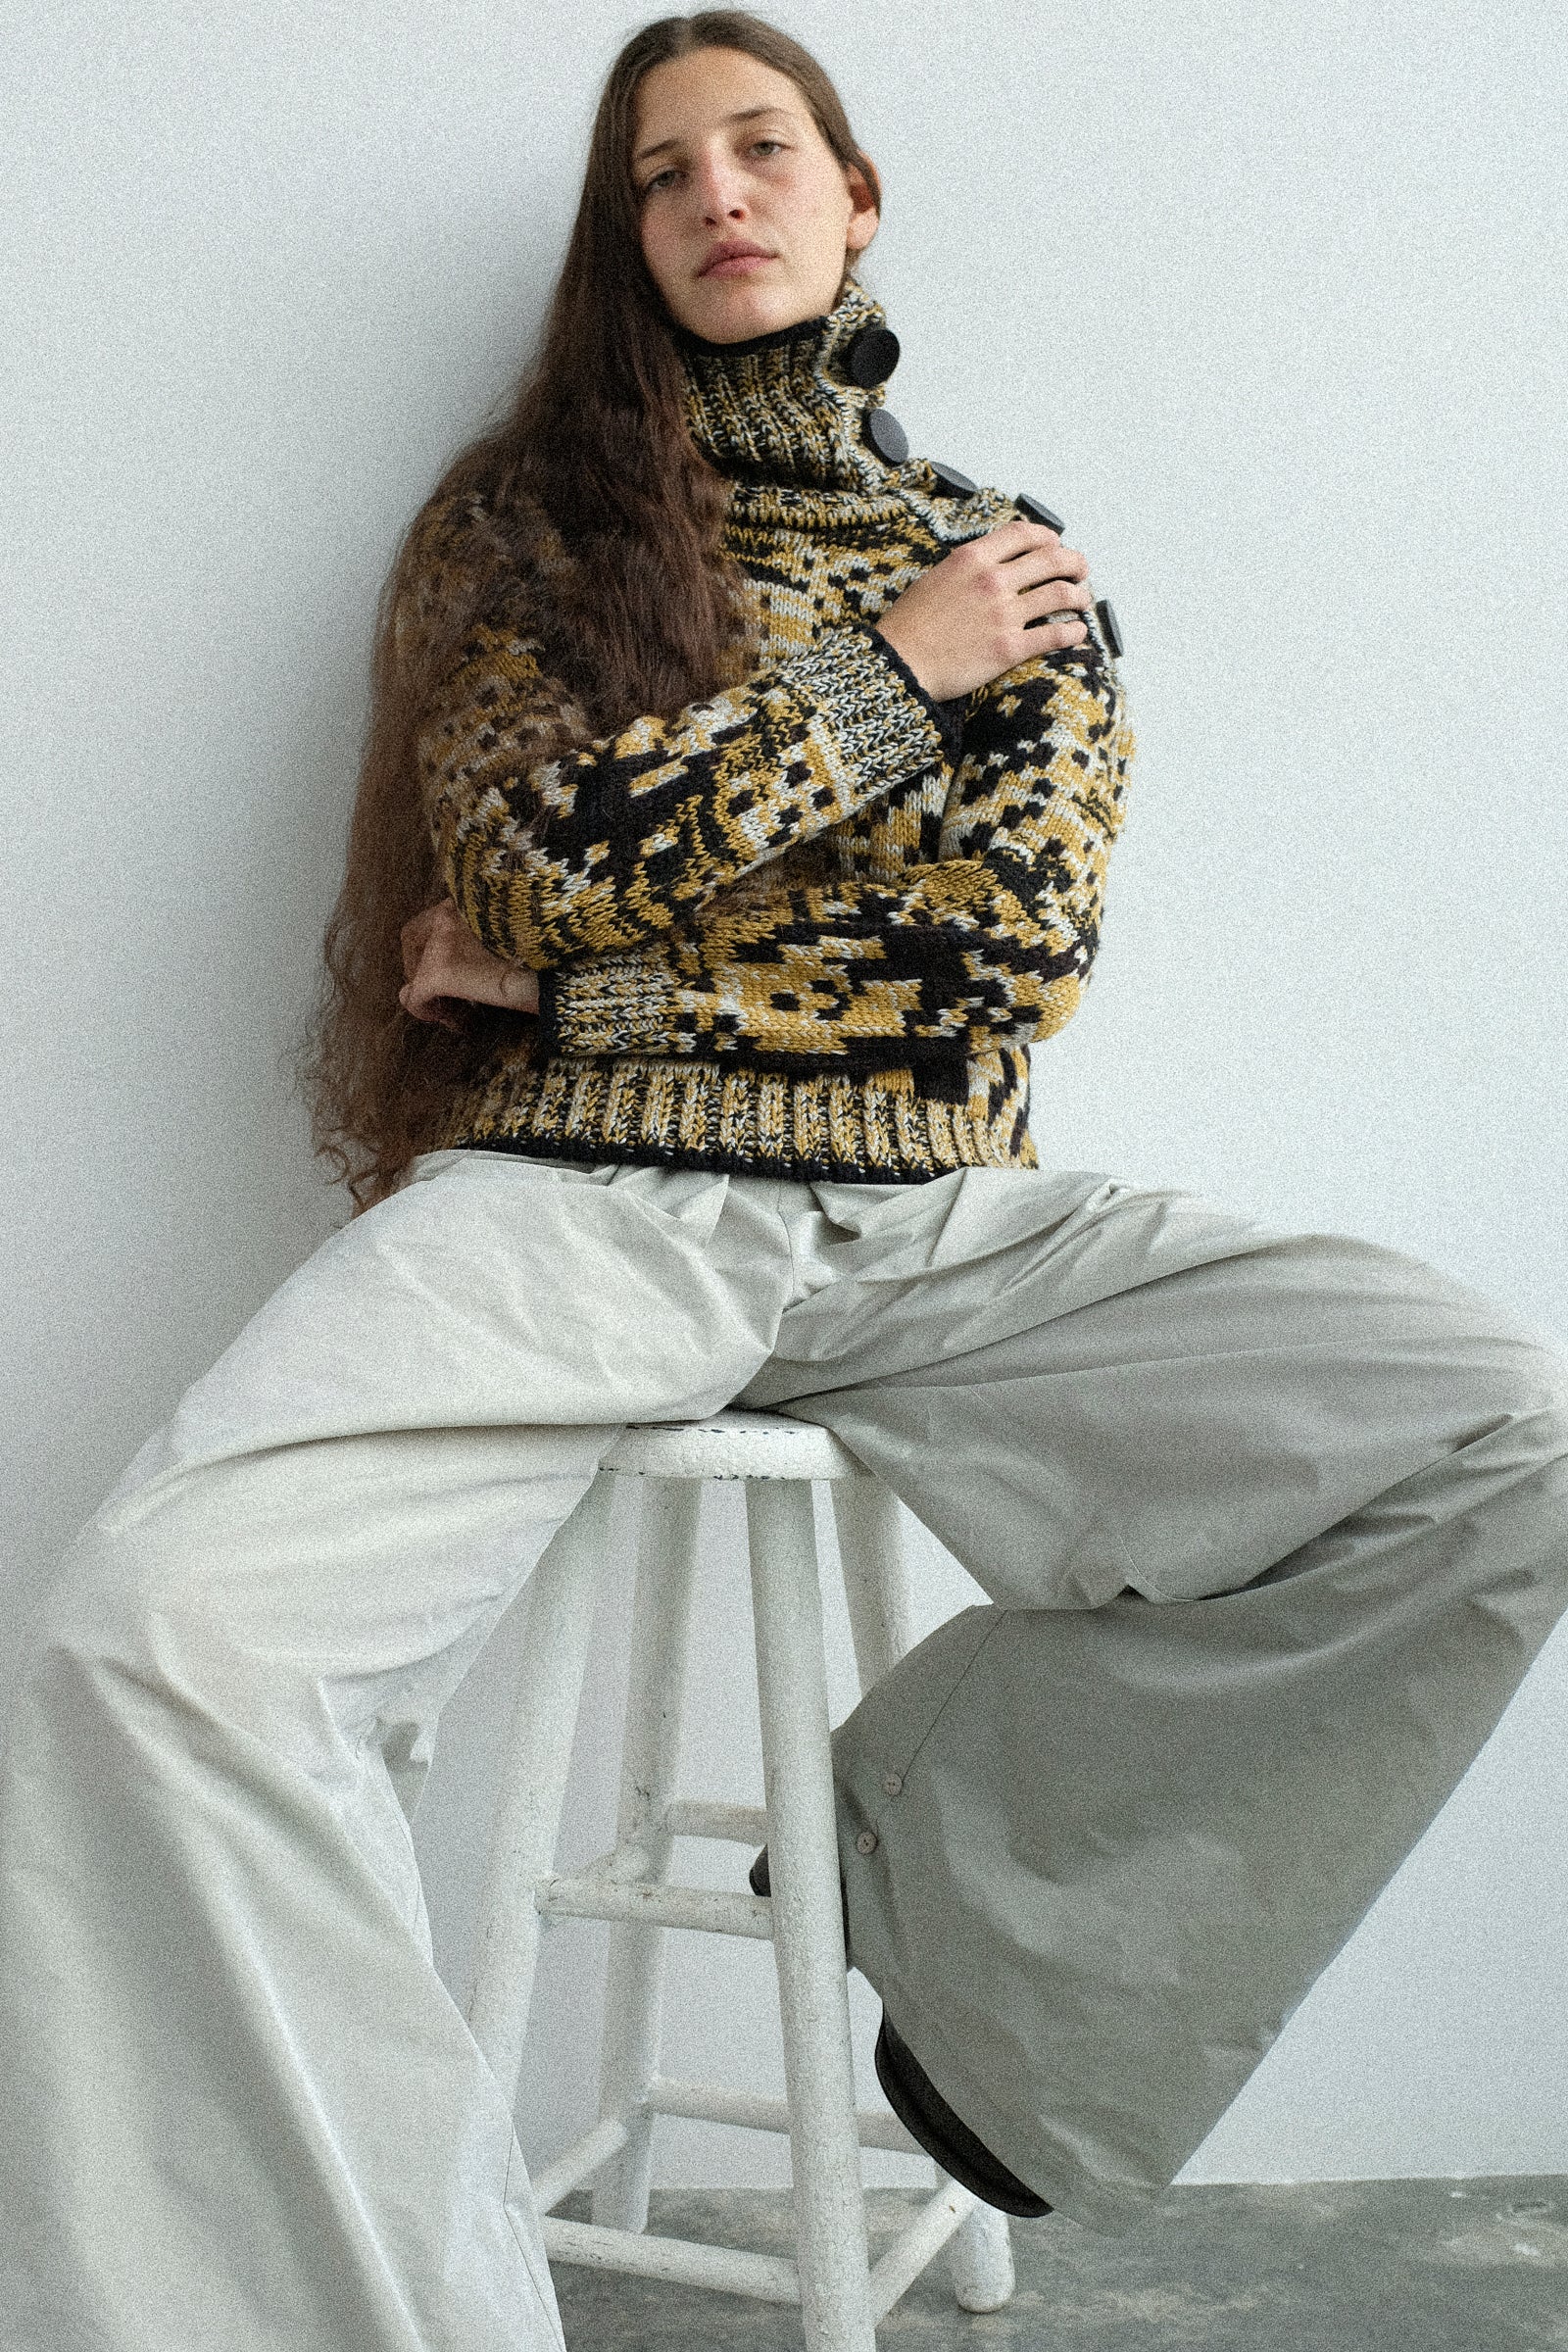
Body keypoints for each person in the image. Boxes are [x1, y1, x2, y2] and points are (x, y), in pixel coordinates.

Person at [2, 10, 1565, 2349]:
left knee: (1491, 1430)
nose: (717, 194)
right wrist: (880, 693)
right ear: (623, 244)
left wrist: (589, 981)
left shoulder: (1003, 560)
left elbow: (987, 976)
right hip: (577, 1216)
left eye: (762, 147)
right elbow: (528, 853)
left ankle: (922, 1833)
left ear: (853, 198)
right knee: (154, 1645)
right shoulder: (530, 527)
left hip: (946, 1224)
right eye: (659, 172)